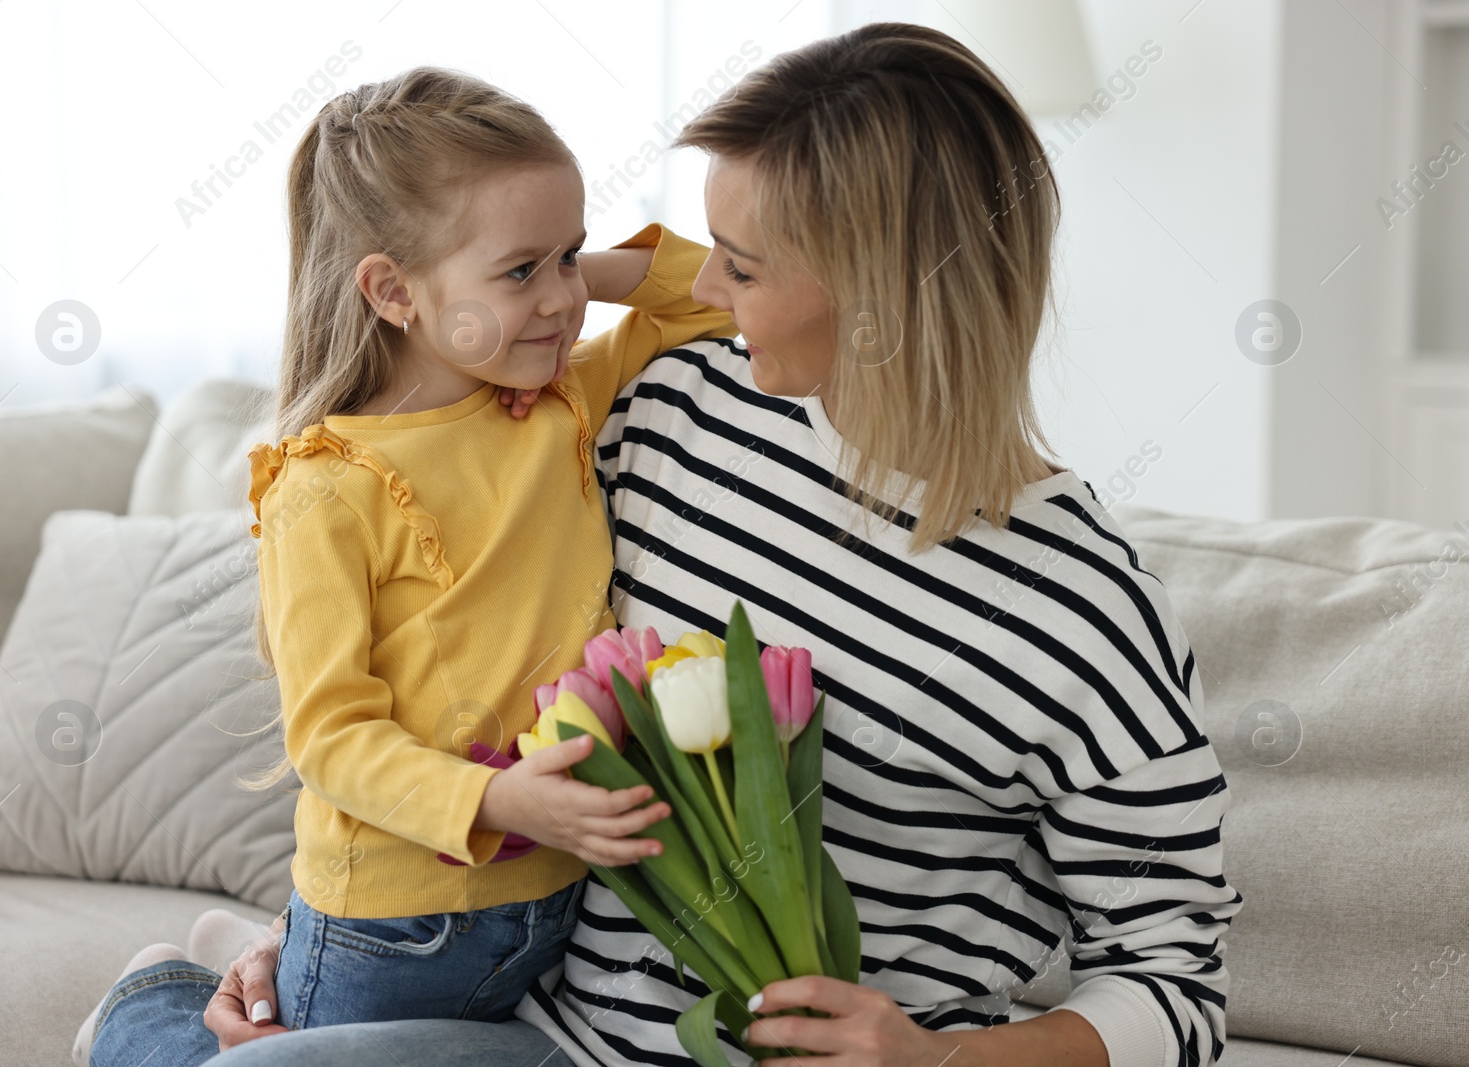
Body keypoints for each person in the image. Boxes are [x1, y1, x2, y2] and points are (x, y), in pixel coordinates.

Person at [93, 22, 1244, 1067]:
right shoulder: (678, 405)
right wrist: (321, 946)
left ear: (879, 290)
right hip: (545, 1029)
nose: (702, 281)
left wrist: (938, 1062)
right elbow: (448, 651)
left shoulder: (1083, 608)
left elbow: (1176, 983)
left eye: (740, 263)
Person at [72, 65, 735, 1066]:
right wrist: (497, 801)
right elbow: (332, 739)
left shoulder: (556, 403)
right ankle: (145, 1004)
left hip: (544, 908)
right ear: (389, 290)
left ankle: (232, 952)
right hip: (391, 926)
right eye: (521, 271)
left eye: (567, 256)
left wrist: (562, 268)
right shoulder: (327, 486)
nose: (561, 298)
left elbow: (715, 297)